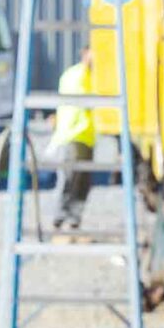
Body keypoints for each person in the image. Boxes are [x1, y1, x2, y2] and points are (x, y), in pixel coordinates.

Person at [48, 46, 96, 229]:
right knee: (70, 178)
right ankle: (60, 217)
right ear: (85, 54)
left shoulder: (78, 74)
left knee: (80, 180)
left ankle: (72, 219)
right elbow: (87, 100)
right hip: (73, 134)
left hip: (83, 135)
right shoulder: (79, 75)